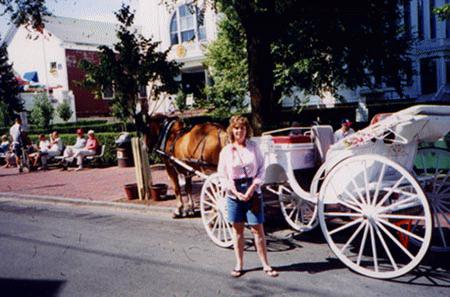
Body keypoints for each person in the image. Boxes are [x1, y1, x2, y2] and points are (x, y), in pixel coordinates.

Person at [217, 115, 278, 278]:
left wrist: (253, 187)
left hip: (253, 191)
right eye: (236, 128)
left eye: (242, 128)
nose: (239, 131)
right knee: (237, 231)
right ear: (232, 130)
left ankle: (266, 264)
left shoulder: (254, 147)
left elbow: (262, 169)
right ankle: (239, 264)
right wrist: (234, 191)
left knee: (257, 229)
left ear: (247, 130)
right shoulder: (226, 151)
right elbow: (222, 175)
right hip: (233, 193)